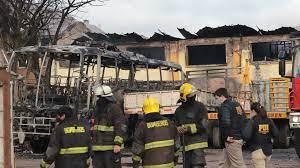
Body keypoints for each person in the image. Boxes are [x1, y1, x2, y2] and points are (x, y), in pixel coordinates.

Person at [132, 97, 179, 168]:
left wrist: (135, 165)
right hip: (168, 165)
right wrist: (175, 159)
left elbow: (137, 148)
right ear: (158, 109)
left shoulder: (142, 126)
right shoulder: (169, 123)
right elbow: (177, 145)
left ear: (144, 111)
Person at [91, 85, 127, 168]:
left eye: (99, 97)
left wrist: (117, 144)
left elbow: (121, 127)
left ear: (105, 97)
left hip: (110, 149)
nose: (98, 99)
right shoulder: (97, 110)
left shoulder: (115, 109)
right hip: (97, 149)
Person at [175, 83, 208, 168]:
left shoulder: (200, 107)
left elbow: (204, 125)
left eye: (194, 95)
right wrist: (177, 129)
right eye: (191, 95)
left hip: (197, 144)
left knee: (197, 165)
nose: (193, 96)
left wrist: (188, 129)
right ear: (184, 97)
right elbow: (175, 126)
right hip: (185, 146)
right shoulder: (178, 111)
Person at [214, 88, 246, 168]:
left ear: (221, 96)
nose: (216, 101)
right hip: (237, 138)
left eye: (217, 98)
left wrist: (226, 136)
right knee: (223, 164)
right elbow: (243, 119)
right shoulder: (237, 104)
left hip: (231, 140)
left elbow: (226, 122)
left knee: (238, 165)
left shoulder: (225, 106)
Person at [243, 102, 279, 168]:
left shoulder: (253, 121)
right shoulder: (269, 120)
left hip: (257, 151)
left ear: (253, 111)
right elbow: (276, 134)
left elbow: (246, 136)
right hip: (268, 151)